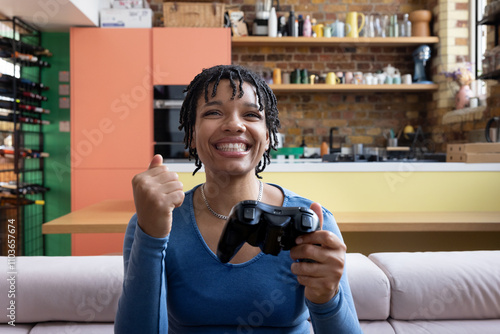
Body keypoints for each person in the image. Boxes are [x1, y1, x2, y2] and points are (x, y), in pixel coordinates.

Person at [115, 64, 362, 333]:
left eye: (251, 114)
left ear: (267, 137)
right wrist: (151, 237)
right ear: (191, 136)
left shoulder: (314, 223)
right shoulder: (153, 222)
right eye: (213, 112)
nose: (234, 124)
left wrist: (327, 298)